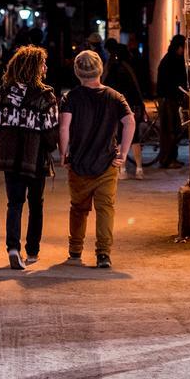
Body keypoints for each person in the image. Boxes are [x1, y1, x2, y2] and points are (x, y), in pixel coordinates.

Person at [59, 50, 135, 270]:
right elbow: (129, 122)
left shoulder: (71, 97)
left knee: (78, 208)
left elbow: (64, 127)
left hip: (79, 163)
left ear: (77, 72)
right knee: (105, 208)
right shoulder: (115, 96)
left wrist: (63, 154)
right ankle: (103, 254)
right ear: (100, 69)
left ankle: (75, 250)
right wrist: (123, 153)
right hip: (107, 164)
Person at [0, 45, 58, 270]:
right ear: (34, 68)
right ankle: (32, 251)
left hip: (9, 158)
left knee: (14, 203)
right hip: (35, 158)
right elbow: (50, 134)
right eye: (43, 64)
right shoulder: (45, 97)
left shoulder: (2, 93)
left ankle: (12, 248)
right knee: (36, 204)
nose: (46, 67)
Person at [102, 40, 147, 178]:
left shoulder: (115, 68)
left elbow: (109, 89)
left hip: (121, 107)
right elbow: (139, 87)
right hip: (135, 106)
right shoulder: (132, 66)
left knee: (121, 137)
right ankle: (139, 169)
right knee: (135, 138)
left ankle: (123, 170)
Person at [156, 34, 187, 169]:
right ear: (178, 47)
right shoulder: (171, 60)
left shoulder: (173, 59)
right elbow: (172, 82)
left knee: (174, 130)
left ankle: (172, 158)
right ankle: (167, 160)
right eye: (183, 47)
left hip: (172, 99)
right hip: (169, 99)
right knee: (169, 131)